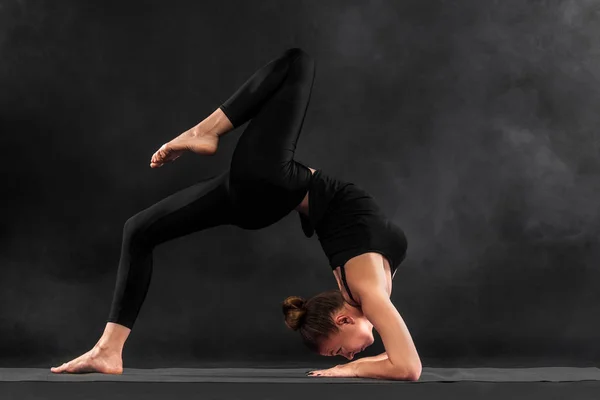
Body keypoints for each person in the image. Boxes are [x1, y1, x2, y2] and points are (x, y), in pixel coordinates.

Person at [50, 48, 421, 380]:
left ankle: (203, 132)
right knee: (139, 230)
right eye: (342, 351)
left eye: (342, 353)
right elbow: (406, 366)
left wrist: (348, 367)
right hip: (271, 187)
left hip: (269, 189)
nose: (351, 355)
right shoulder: (369, 293)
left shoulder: (363, 292)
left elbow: (400, 361)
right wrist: (352, 368)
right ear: (342, 319)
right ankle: (108, 350)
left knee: (297, 63)